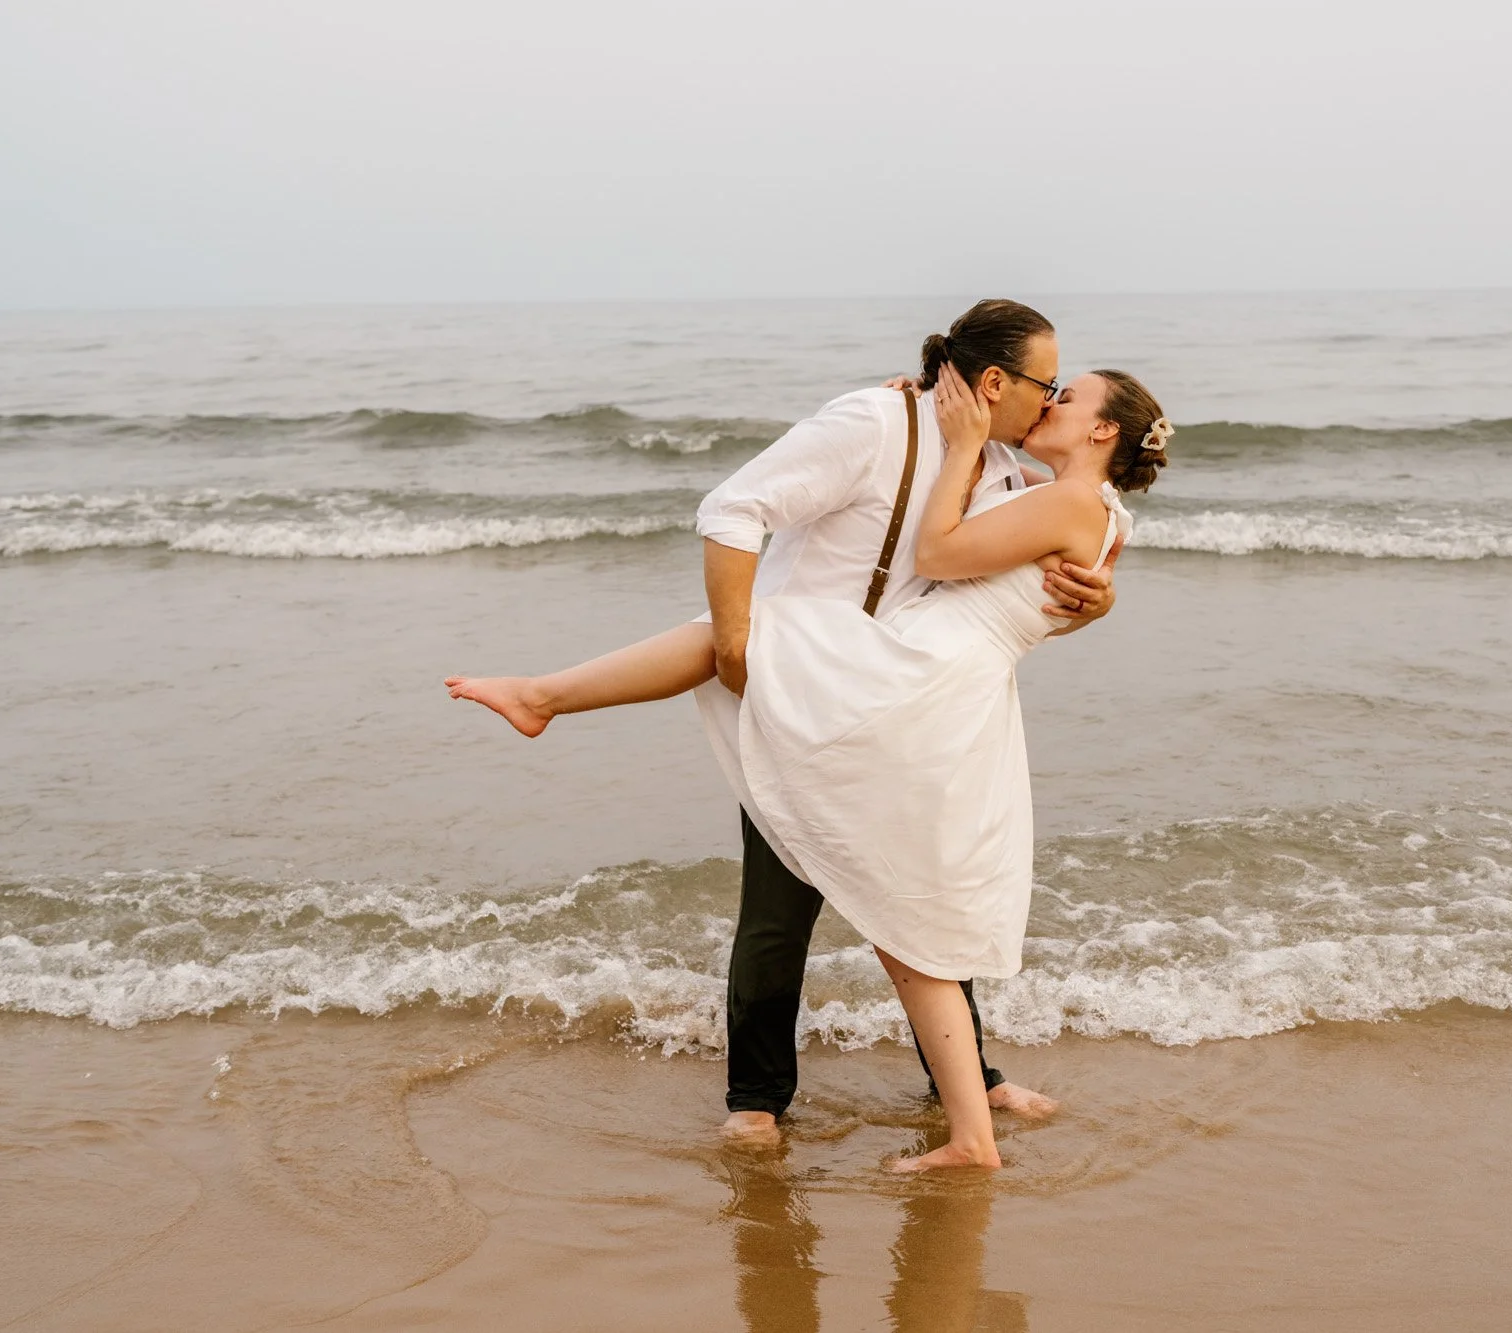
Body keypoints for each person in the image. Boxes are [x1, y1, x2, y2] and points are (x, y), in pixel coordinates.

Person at [448, 303, 1172, 1168]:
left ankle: (968, 1088)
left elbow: (1037, 568)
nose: (1049, 400)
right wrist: (733, 650)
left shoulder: (1013, 470)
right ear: (992, 383)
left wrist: (1100, 599)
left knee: (921, 905)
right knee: (782, 908)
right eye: (1043, 385)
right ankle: (759, 1100)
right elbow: (732, 509)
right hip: (819, 691)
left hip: (898, 691)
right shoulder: (877, 423)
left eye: (1062, 392)